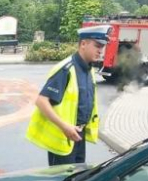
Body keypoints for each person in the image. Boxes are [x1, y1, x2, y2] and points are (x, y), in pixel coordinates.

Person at [26, 25, 110, 165]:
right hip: (62, 136)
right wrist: (64, 126)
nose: (101, 51)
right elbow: (41, 101)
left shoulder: (89, 70)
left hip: (78, 135)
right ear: (83, 44)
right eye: (97, 46)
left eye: (103, 47)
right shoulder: (66, 69)